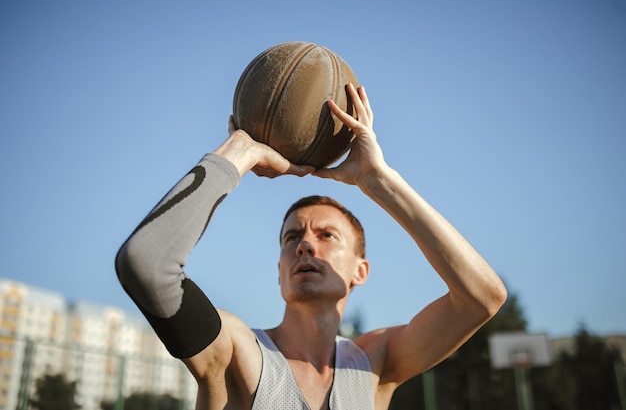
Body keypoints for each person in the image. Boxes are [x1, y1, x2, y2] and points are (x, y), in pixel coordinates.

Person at [115, 83, 507, 409]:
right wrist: (241, 151)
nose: (304, 244)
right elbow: (147, 262)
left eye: (326, 235)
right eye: (292, 237)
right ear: (280, 269)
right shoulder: (239, 352)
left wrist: (379, 180)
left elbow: (482, 298)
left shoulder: (373, 364)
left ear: (360, 271)